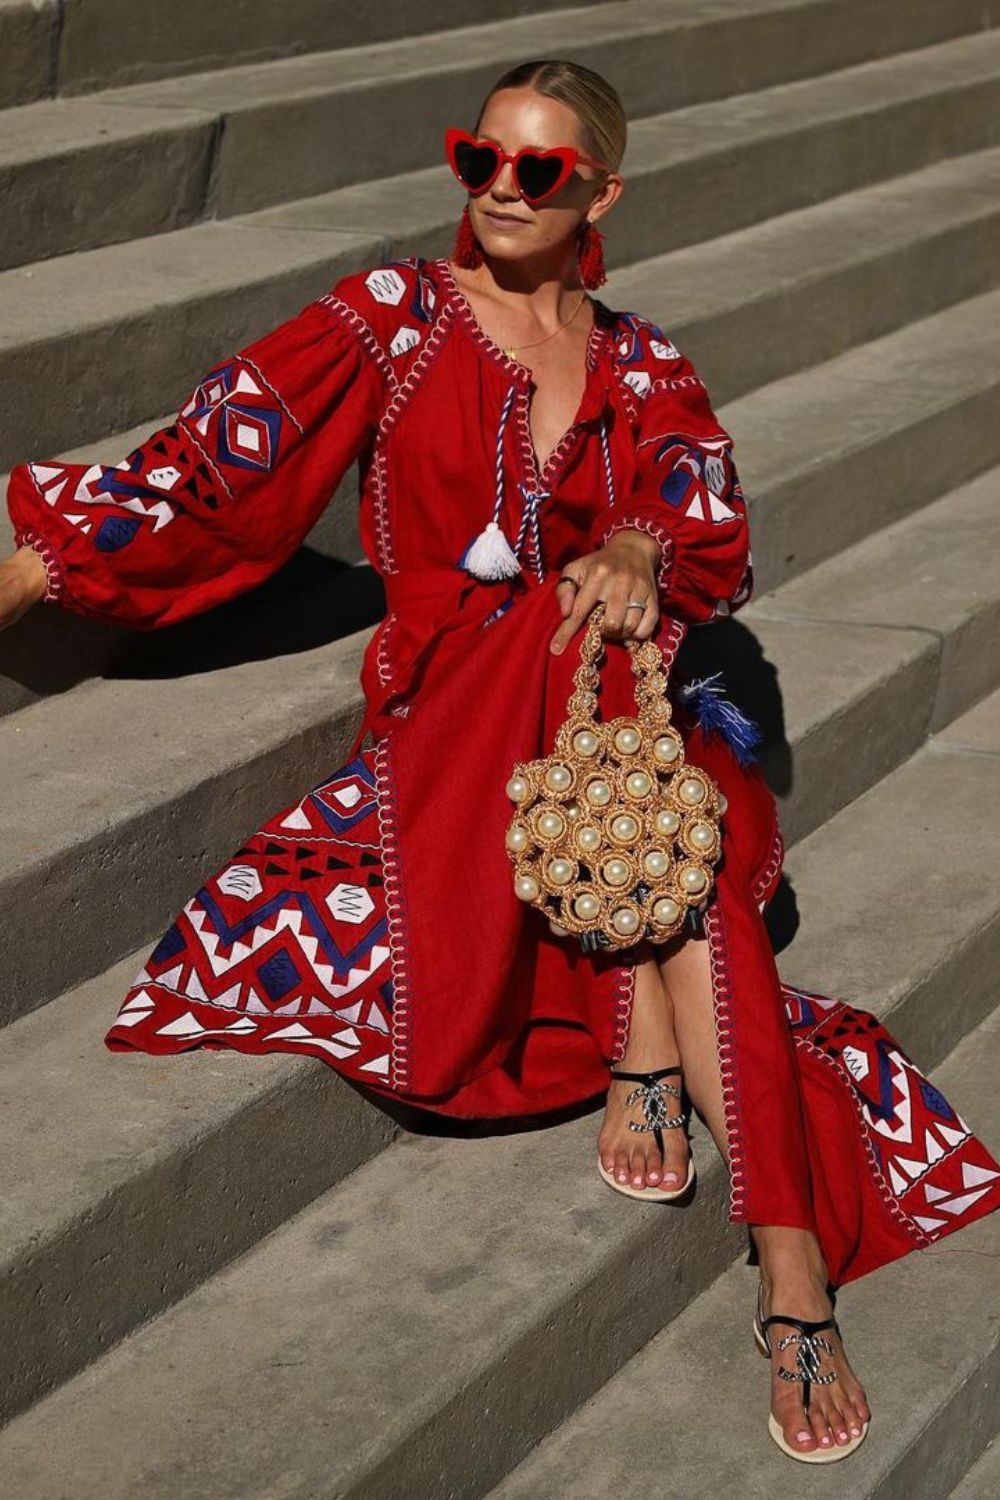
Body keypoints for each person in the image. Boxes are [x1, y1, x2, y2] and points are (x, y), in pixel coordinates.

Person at [3, 58, 999, 1466]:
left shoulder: (642, 357)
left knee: (621, 682)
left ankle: (782, 1254)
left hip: (622, 721)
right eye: (482, 159)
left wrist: (643, 548)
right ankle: (730, 1175)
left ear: (601, 189)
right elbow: (216, 465)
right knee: (598, 677)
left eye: (540, 170)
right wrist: (38, 570)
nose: (502, 192)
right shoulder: (390, 320)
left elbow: (705, 514)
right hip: (454, 706)